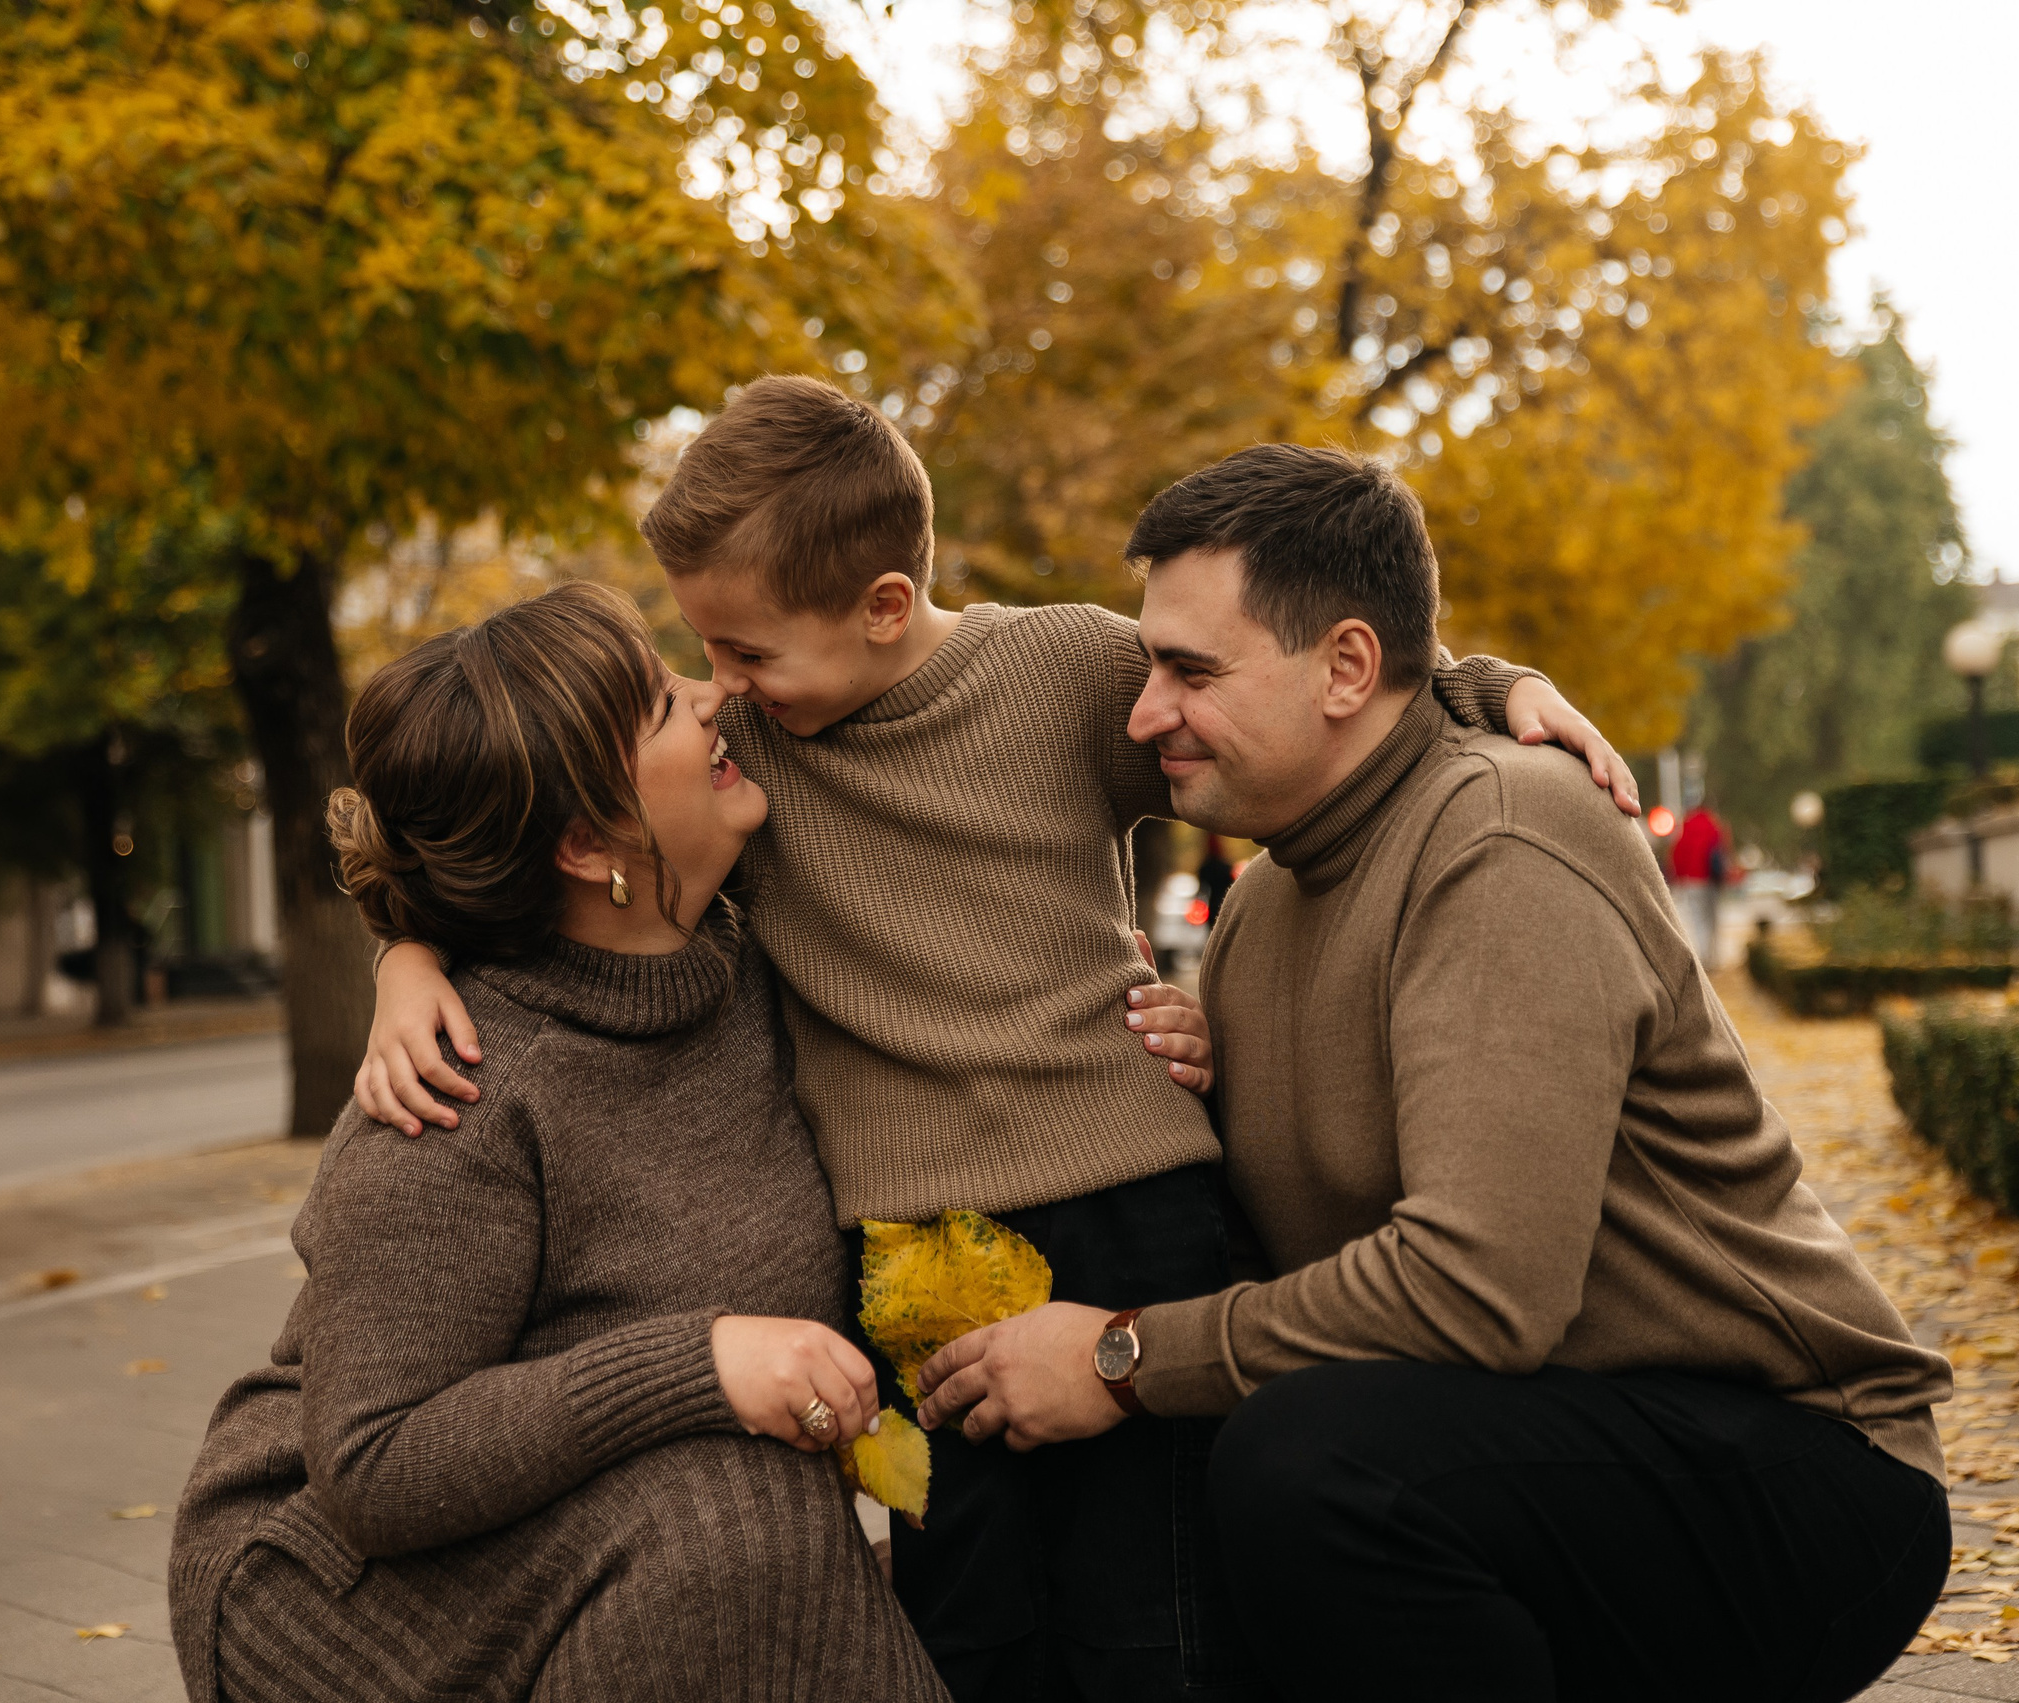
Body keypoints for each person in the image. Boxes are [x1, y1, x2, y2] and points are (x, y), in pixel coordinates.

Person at [351, 377, 1642, 1702]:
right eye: (710, 652)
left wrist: (1497, 685)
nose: (718, 687)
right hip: (915, 1251)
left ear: (884, 608)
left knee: (1161, 1609)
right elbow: (541, 860)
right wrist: (410, 958)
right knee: (965, 1617)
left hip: (1134, 1197)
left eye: (745, 651)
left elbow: (1304, 710)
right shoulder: (747, 760)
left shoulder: (1065, 670)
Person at [913, 445, 1956, 1703]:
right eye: (1146, 666)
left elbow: (1479, 1290)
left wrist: (1123, 1359)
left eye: (1190, 669)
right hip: (1525, 1448)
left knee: (1310, 1461)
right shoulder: (1264, 902)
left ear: (1348, 666)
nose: (1143, 713)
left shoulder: (1503, 833)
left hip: (1795, 1471)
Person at [167, 584, 947, 1703]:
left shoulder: (755, 942)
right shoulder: (460, 1089)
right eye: (657, 703)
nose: (710, 694)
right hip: (333, 1590)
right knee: (737, 1519)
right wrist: (697, 1361)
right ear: (586, 841)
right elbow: (374, 1463)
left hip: (600, 1509)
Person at [1668, 797, 1735, 965]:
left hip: (1692, 882)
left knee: (1698, 920)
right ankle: (1714, 957)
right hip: (1711, 880)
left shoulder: (1686, 826)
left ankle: (1704, 956)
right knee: (1713, 918)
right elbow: (1724, 853)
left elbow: (1677, 854)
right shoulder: (1715, 826)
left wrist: (1678, 877)